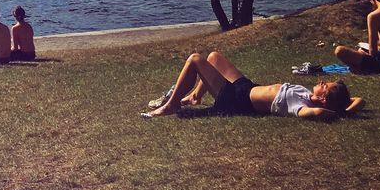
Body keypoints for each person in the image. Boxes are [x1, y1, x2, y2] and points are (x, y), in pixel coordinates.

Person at [145, 49, 361, 120]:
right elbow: (359, 100)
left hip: (237, 101)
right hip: (247, 88)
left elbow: (312, 115)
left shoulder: (302, 107)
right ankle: (195, 97)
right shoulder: (307, 96)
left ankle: (172, 105)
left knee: (195, 59)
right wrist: (345, 110)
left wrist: (335, 112)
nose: (321, 81)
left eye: (325, 85)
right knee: (214, 57)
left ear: (323, 99)